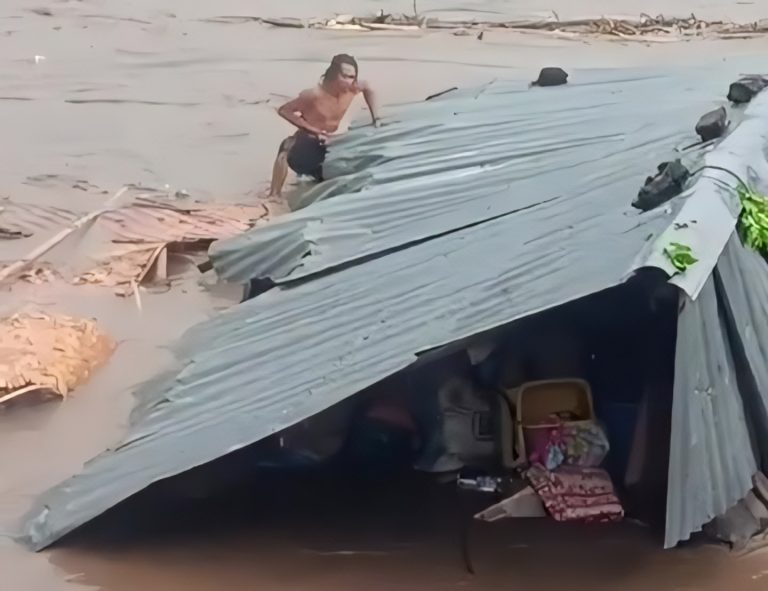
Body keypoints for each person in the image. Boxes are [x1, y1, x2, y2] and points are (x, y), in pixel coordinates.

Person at [268, 54, 379, 196]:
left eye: (352, 77)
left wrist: (376, 117)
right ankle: (274, 195)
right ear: (333, 75)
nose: (348, 81)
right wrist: (313, 130)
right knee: (286, 146)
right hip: (308, 143)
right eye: (344, 76)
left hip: (331, 144)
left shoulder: (353, 88)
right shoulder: (314, 95)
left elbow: (369, 88)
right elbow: (284, 110)